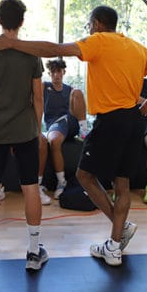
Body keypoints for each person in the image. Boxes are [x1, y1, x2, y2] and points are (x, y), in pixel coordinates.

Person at [0, 5, 147, 267]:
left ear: (97, 23)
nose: (89, 29)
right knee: (123, 184)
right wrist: (144, 108)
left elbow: (55, 49)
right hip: (133, 121)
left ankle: (119, 231)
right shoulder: (136, 47)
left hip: (110, 121)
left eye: (89, 24)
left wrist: (13, 44)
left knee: (84, 176)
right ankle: (115, 245)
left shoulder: (99, 41)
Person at [0, 0, 47, 271]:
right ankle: (33, 252)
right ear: (22, 21)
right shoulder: (31, 54)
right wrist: (37, 129)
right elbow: (38, 96)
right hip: (25, 130)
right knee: (31, 187)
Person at [37, 58, 89, 205]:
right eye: (53, 72)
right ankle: (61, 182)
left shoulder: (70, 89)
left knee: (77, 92)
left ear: (63, 72)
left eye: (58, 72)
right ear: (49, 74)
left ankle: (84, 130)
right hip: (55, 125)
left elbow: (76, 106)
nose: (56, 75)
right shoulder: (44, 86)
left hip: (71, 122)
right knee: (54, 141)